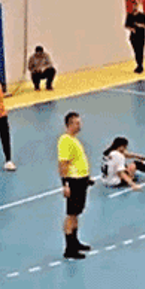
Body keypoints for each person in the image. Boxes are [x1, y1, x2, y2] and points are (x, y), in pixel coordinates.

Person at [58, 111, 94, 260]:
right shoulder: (65, 141)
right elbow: (63, 164)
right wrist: (65, 184)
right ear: (70, 124)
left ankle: (75, 241)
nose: (80, 125)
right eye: (77, 123)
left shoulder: (73, 140)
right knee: (71, 215)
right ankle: (69, 248)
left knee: (76, 213)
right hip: (73, 181)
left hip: (80, 180)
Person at [125, 0, 145, 74]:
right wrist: (131, 29)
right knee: (135, 51)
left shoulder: (142, 15)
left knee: (140, 51)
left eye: (136, 6)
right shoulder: (130, 15)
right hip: (133, 36)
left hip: (141, 36)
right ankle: (138, 64)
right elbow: (127, 25)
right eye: (134, 6)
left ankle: (140, 66)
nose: (135, 7)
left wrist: (139, 25)